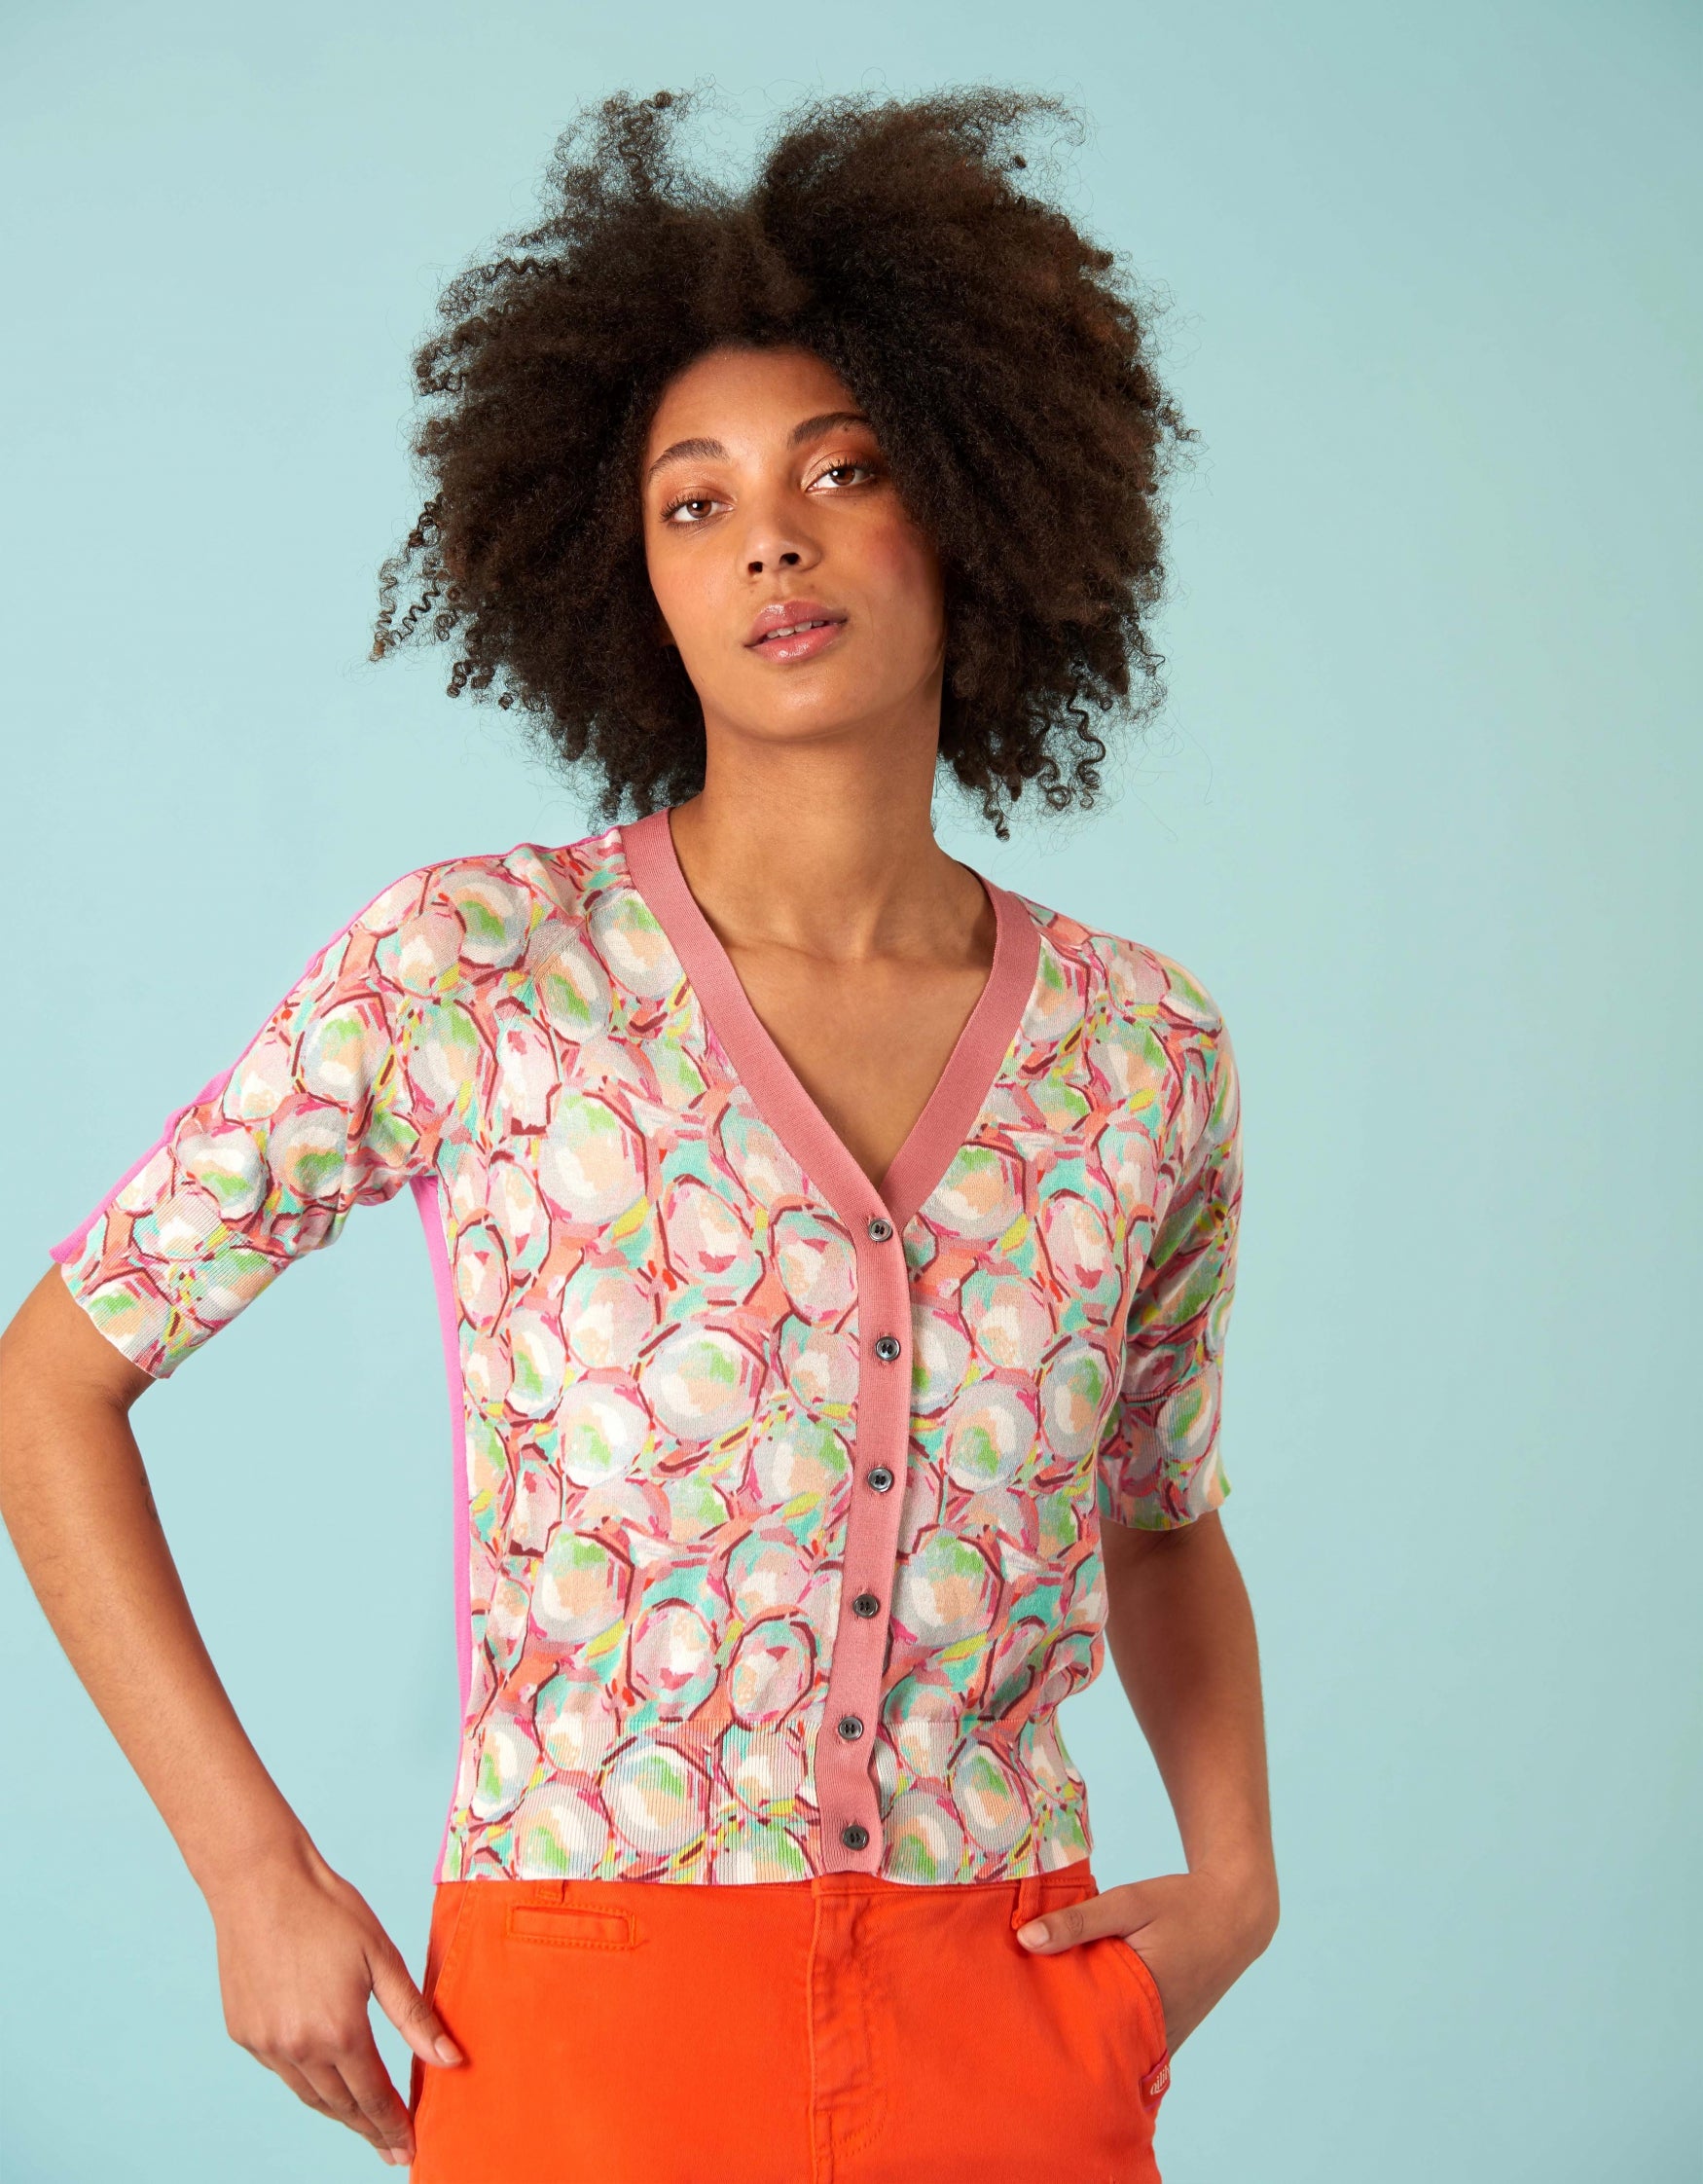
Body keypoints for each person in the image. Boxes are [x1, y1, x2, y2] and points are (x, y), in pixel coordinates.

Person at [0, 86, 1277, 2182]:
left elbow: (1156, 1510)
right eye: (695, 503)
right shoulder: (477, 967)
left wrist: (1231, 1881)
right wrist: (250, 1869)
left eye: (840, 471)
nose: (770, 540)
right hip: (583, 2026)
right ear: (630, 580)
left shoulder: (1139, 1050)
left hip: (1011, 2021)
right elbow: (48, 1383)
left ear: (973, 498)